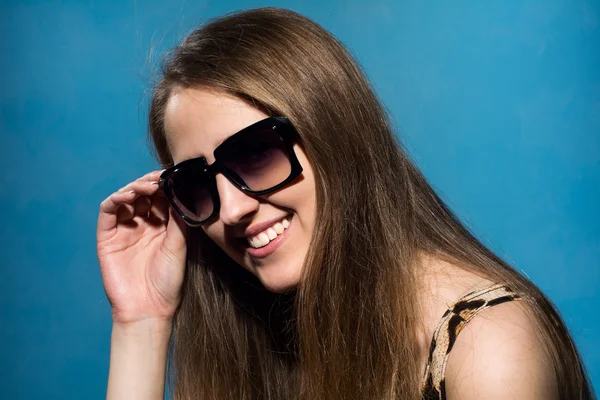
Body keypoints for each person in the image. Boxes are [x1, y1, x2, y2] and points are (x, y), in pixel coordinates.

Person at [96, 7, 595, 400]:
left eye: (254, 155)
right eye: (196, 184)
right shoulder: (264, 334)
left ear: (336, 137)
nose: (230, 210)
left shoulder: (485, 346)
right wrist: (141, 321)